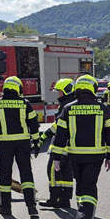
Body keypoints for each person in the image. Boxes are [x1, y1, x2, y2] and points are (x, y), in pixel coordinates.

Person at [51, 75, 110, 219]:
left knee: (81, 186)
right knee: (89, 185)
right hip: (96, 156)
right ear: (93, 89)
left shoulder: (68, 109)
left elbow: (60, 136)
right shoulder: (103, 109)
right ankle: (87, 218)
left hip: (76, 155)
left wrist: (57, 157)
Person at [0, 76, 40, 218]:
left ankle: (5, 207)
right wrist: (36, 142)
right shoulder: (25, 103)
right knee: (26, 174)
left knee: (5, 176)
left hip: (6, 144)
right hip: (23, 143)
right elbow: (34, 125)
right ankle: (32, 207)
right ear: (18, 88)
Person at [40, 78, 75, 208]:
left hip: (61, 146)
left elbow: (59, 126)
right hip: (71, 146)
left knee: (53, 171)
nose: (58, 94)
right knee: (66, 173)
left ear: (66, 91)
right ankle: (65, 200)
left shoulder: (65, 106)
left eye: (59, 92)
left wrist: (44, 136)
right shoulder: (73, 103)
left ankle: (54, 199)